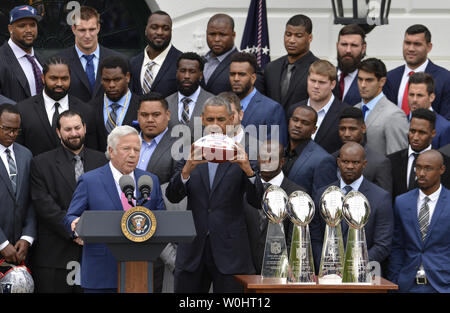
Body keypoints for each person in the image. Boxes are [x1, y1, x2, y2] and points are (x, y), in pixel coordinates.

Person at [165, 96, 264, 293]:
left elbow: (257, 201)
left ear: (231, 120)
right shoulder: (188, 151)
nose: (215, 125)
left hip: (231, 251)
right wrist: (186, 171)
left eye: (221, 120)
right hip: (193, 249)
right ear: (202, 119)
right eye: (210, 120)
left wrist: (248, 171)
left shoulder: (244, 153)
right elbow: (172, 196)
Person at [63, 125, 166, 292]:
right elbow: (71, 216)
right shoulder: (90, 181)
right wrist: (75, 226)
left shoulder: (150, 181)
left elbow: (162, 220)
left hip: (140, 273)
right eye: (126, 149)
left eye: (137, 149)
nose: (133, 154)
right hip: (101, 273)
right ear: (111, 151)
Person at [29, 110, 107, 293]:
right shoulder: (41, 163)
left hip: (95, 253)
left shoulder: (103, 161)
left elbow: (107, 199)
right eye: (68, 129)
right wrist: (74, 228)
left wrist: (90, 231)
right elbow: (44, 204)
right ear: (58, 132)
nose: (74, 133)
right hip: (55, 255)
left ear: (85, 128)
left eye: (77, 128)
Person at [312, 142, 393, 273]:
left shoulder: (380, 197)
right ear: (338, 162)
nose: (349, 166)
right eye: (345, 161)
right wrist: (326, 264)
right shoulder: (322, 194)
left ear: (364, 164)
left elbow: (382, 244)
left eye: (355, 163)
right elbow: (315, 238)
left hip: (363, 274)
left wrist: (354, 267)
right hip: (327, 273)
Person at [388, 150, 450, 293]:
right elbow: (397, 246)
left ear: (442, 169)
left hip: (442, 284)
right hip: (407, 284)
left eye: (428, 168)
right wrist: (394, 282)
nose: (421, 173)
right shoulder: (402, 202)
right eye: (418, 167)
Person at [16, 56, 97, 156]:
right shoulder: (23, 110)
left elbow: (92, 152)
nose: (59, 83)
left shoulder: (86, 111)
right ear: (43, 78)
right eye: (53, 78)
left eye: (64, 79)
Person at [244, 140, 305, 273]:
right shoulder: (244, 189)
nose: (266, 162)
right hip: (245, 269)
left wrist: (289, 264)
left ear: (282, 162)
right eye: (263, 157)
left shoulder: (296, 194)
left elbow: (295, 237)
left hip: (281, 269)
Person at [56, 6, 124, 103]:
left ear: (98, 28)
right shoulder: (59, 61)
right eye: (82, 30)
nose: (87, 35)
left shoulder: (118, 60)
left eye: (91, 29)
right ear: (73, 29)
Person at [384, 24, 450, 119]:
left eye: (417, 44)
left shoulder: (445, 79)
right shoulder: (390, 77)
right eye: (407, 43)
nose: (411, 49)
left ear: (429, 47)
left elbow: (446, 121)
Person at [287, 59, 350, 154]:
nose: (316, 86)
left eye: (321, 82)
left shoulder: (345, 113)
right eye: (313, 81)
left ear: (332, 84)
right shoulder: (294, 109)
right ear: (307, 79)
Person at [0, 104, 35, 267]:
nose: (12, 134)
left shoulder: (26, 155)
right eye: (7, 129)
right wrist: (2, 243)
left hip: (20, 249)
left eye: (16, 130)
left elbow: (31, 199)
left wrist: (27, 237)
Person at [388, 108, 450, 200]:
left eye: (422, 132)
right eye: (412, 131)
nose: (415, 137)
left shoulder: (446, 163)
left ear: (433, 133)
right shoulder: (391, 161)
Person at [229, 52, 288, 146]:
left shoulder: (272, 109)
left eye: (242, 74)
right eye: (232, 74)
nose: (236, 78)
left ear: (253, 78)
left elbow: (276, 151)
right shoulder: (222, 104)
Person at [262, 14, 318, 111]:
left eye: (298, 36)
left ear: (310, 38)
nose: (291, 40)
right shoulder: (271, 68)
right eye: (288, 34)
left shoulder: (318, 69)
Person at [355, 58, 409, 155]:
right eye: (360, 79)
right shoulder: (354, 109)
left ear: (382, 82)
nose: (363, 85)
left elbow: (397, 158)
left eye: (369, 80)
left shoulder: (394, 115)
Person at [335, 106, 392, 194]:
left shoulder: (379, 163)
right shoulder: (331, 158)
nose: (346, 134)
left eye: (352, 129)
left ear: (363, 128)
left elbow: (383, 200)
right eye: (343, 129)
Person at [283, 105, 336, 199]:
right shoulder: (280, 150)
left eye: (305, 123)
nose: (298, 125)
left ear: (314, 129)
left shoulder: (323, 160)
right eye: (295, 120)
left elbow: (323, 201)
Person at [91, 55, 139, 152]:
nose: (111, 85)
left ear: (128, 77)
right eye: (106, 80)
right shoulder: (90, 108)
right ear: (101, 79)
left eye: (117, 79)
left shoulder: (141, 106)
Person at [130, 11, 182, 98]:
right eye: (154, 27)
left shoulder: (181, 62)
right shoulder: (133, 63)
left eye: (165, 28)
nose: (160, 32)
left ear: (171, 32)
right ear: (146, 30)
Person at [0, 5, 44, 102]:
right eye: (22, 25)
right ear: (10, 29)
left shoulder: (40, 59)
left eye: (32, 25)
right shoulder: (2, 57)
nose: (29, 30)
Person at [166, 52, 214, 135]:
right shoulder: (166, 103)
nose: (187, 76)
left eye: (192, 71)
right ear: (177, 73)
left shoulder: (214, 102)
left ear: (201, 75)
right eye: (183, 71)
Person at [407, 72, 450, 149]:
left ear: (431, 97)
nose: (414, 100)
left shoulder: (444, 128)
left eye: (420, 95)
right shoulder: (401, 122)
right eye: (411, 95)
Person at [201, 14, 237, 95]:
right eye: (212, 34)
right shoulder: (200, 61)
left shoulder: (244, 64)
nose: (216, 39)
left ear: (233, 35)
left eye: (222, 35)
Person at [333, 24, 366, 106]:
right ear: (337, 46)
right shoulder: (325, 76)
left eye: (354, 45)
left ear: (363, 48)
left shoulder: (369, 81)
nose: (348, 50)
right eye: (344, 44)